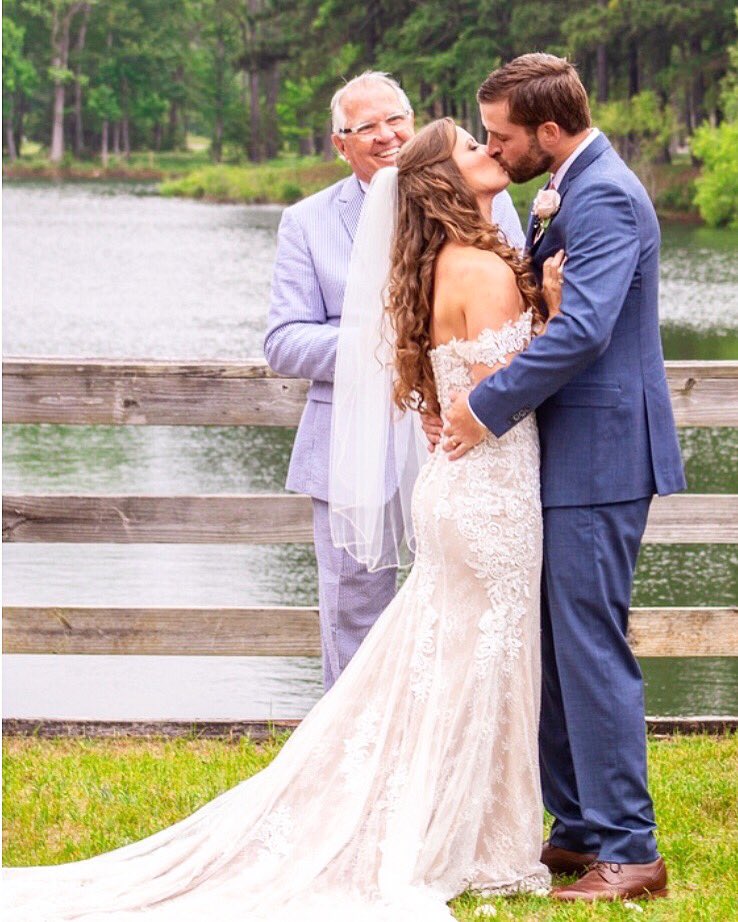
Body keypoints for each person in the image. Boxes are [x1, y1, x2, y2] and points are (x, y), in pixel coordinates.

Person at [3, 117, 565, 921]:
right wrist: (549, 312)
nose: (489, 152)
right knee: (481, 660)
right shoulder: (482, 269)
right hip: (490, 494)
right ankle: (471, 841)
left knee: (450, 662)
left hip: (458, 490)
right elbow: (505, 394)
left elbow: (452, 391)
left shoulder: (438, 264)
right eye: (472, 147)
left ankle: (463, 826)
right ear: (445, 181)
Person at [440, 54, 686, 902]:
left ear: (549, 131)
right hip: (569, 453)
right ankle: (578, 828)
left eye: (502, 136)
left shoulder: (605, 194)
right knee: (555, 644)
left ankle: (632, 850)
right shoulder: (568, 189)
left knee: (588, 646)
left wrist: (484, 406)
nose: (493, 149)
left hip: (603, 455)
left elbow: (584, 331)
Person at [264, 71, 525, 690]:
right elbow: (283, 341)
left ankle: (433, 745)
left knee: (464, 604)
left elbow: (514, 301)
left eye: (396, 120)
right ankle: (346, 762)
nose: (386, 136)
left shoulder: (488, 198)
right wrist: (393, 353)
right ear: (340, 143)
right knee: (355, 609)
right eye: (366, 127)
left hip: (463, 441)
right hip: (354, 448)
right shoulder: (308, 223)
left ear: (415, 121)